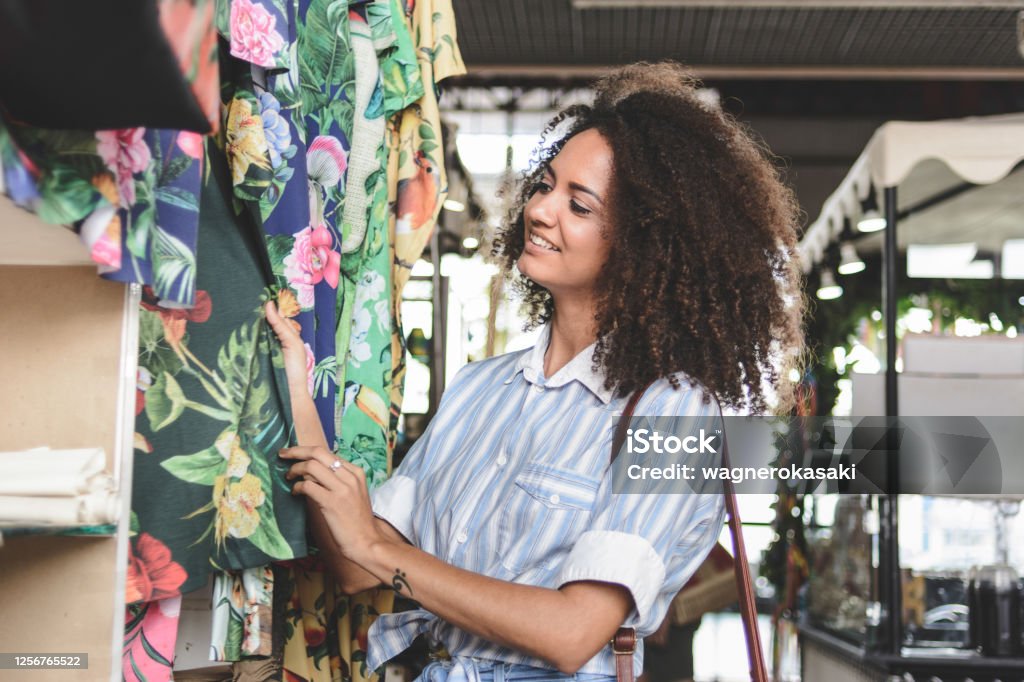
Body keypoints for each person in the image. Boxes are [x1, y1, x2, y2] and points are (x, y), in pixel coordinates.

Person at [265, 61, 804, 682]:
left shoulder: (673, 412)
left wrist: (380, 551)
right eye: (545, 185)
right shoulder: (479, 388)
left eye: (578, 204)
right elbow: (358, 564)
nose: (541, 210)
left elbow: (572, 633)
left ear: (642, 245)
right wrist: (300, 396)